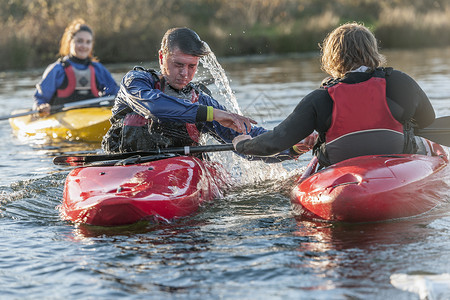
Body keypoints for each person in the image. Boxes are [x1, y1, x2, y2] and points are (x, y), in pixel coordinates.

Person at [233, 22, 436, 167]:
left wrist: (242, 144)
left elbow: (275, 142)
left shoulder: (319, 99)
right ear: (372, 51)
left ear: (332, 57)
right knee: (425, 142)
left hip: (341, 171)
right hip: (398, 163)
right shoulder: (400, 82)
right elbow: (428, 119)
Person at [101, 27, 301, 161]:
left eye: (192, 66)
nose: (184, 73)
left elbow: (244, 136)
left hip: (176, 176)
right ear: (162, 58)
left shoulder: (199, 99)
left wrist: (291, 147)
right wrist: (212, 114)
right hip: (123, 167)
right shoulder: (136, 82)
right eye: (178, 64)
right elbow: (154, 107)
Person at [33, 19, 119, 117]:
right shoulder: (57, 69)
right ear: (70, 42)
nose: (84, 46)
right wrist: (41, 106)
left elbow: (115, 93)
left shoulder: (98, 69)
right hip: (61, 118)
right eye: (80, 41)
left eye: (88, 42)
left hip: (92, 116)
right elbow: (40, 99)